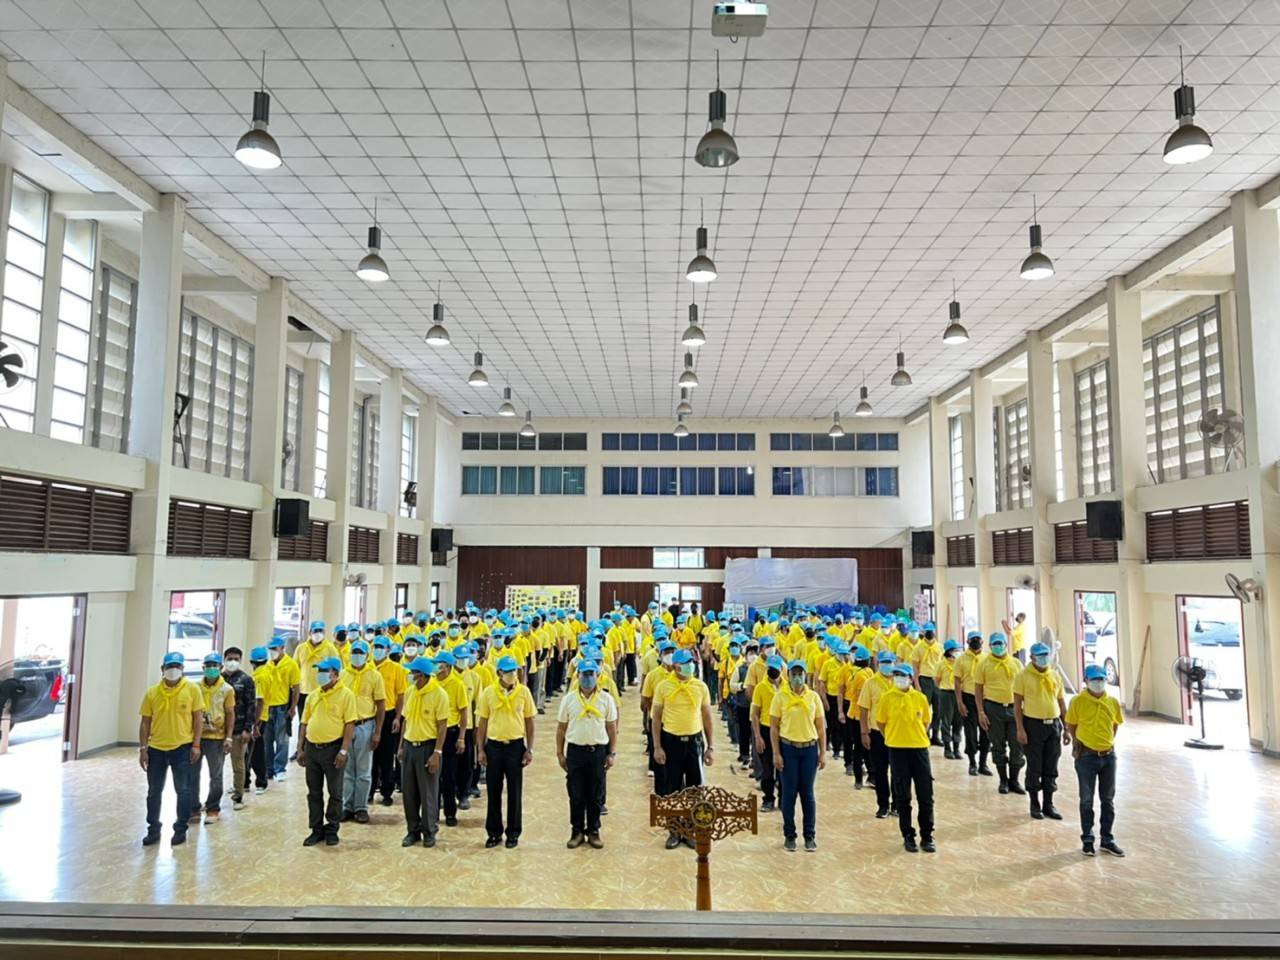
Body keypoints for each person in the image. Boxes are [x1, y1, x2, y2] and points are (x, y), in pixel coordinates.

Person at [650, 648, 715, 850]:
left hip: (694, 742)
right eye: (686, 663)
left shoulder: (700, 687)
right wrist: (657, 746)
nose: (690, 665)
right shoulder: (663, 687)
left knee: (695, 791)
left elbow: (707, 717)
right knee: (672, 790)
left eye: (691, 662)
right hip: (671, 742)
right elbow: (656, 718)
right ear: (676, 666)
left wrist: (711, 746)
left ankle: (689, 830)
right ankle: (674, 830)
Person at [138, 651, 204, 847]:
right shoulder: (152, 693)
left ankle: (180, 829)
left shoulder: (192, 690)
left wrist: (196, 745)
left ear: (182, 668)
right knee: (154, 791)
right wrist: (143, 748)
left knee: (183, 791)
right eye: (169, 666)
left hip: (182, 748)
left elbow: (198, 719)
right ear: (162, 669)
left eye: (177, 666)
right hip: (156, 749)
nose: (173, 670)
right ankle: (153, 829)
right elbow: (145, 722)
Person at [556, 658, 618, 849]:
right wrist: (560, 753)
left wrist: (612, 753)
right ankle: (576, 831)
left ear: (598, 676)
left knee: (595, 794)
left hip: (597, 752)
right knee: (576, 794)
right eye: (585, 674)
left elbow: (611, 728)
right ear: (578, 676)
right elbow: (561, 728)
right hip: (575, 752)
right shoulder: (569, 700)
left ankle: (594, 831)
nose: (588, 678)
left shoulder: (606, 699)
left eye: (591, 674)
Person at [476, 654, 536, 848]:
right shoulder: (488, 693)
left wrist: (530, 749)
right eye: (507, 671)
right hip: (494, 746)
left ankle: (513, 832)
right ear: (499, 673)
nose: (512, 674)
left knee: (514, 791)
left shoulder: (524, 692)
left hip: (515, 747)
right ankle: (494, 832)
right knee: (493, 790)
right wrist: (480, 749)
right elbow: (482, 722)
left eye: (514, 671)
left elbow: (529, 722)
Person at [1065, 663, 1125, 858]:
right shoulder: (1078, 701)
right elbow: (1071, 724)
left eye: (1101, 679)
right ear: (1086, 681)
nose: (1098, 683)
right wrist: (1078, 742)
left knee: (1108, 799)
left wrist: (1107, 743)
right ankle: (1088, 839)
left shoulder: (1112, 702)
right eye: (1094, 679)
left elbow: (1115, 724)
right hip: (1086, 757)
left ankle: (1107, 839)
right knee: (1087, 799)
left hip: (1108, 756)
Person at [297, 657, 356, 846]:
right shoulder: (313, 695)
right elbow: (304, 723)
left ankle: (332, 828)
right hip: (312, 749)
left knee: (335, 792)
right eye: (319, 671)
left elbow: (350, 724)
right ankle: (316, 829)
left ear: (336, 674)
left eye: (324, 671)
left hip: (333, 749)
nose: (320, 674)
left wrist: (344, 751)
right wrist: (300, 748)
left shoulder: (346, 695)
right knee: (313, 792)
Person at [877, 663, 934, 853]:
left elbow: (926, 722)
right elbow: (881, 723)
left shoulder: (920, 698)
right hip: (897, 750)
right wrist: (894, 736)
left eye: (902, 675)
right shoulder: (887, 698)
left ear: (910, 679)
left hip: (919, 749)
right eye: (896, 675)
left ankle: (927, 835)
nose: (899, 679)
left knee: (925, 795)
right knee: (903, 795)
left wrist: (915, 736)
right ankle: (908, 835)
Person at [769, 659, 825, 852]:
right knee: (789, 793)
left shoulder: (813, 697)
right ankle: (789, 835)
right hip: (788, 749)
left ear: (805, 675)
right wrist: (776, 753)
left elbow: (820, 727)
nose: (797, 678)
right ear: (788, 676)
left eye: (800, 674)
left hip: (809, 749)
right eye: (794, 674)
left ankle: (809, 836)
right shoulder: (780, 697)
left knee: (807, 794)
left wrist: (822, 753)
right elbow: (774, 727)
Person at [1014, 641, 1070, 820]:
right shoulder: (1023, 676)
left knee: (1051, 766)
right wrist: (1020, 729)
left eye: (1046, 655)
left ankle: (1048, 803)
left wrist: (1066, 728)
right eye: (1040, 656)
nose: (1044, 659)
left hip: (1053, 725)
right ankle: (1034, 803)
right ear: (1032, 657)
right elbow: (1017, 705)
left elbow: (1061, 703)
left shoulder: (1055, 675)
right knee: (1034, 766)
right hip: (1033, 725)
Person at [399, 656, 448, 848]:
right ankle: (413, 830)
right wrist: (401, 746)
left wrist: (437, 753)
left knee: (428, 793)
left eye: (414, 673)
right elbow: (406, 720)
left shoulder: (439, 694)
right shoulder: (410, 692)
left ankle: (429, 831)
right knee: (409, 793)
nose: (411, 676)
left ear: (424, 675)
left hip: (428, 747)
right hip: (410, 746)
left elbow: (442, 726)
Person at [339, 639, 387, 824]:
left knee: (364, 771)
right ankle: (347, 806)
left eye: (360, 653)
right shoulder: (343, 674)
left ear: (367, 656)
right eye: (354, 652)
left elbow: (381, 705)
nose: (356, 656)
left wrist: (377, 732)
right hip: (346, 726)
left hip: (365, 725)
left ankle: (360, 807)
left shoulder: (374, 676)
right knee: (347, 769)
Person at [975, 632, 1025, 796]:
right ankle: (1003, 780)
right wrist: (981, 711)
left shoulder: (1016, 663)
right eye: (995, 644)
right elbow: (978, 689)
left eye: (1000, 643)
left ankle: (1014, 780)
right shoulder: (983, 664)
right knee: (998, 745)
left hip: (1014, 708)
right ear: (990, 646)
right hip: (993, 708)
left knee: (1017, 745)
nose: (998, 646)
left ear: (1006, 644)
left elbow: (1024, 688)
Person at [189, 651, 235, 825]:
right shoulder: (195, 687)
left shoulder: (227, 689)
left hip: (217, 738)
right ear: (203, 668)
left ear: (220, 667)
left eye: (214, 666)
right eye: (208, 666)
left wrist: (228, 738)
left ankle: (213, 808)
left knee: (216, 775)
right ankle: (193, 808)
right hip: (196, 738)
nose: (211, 669)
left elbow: (230, 714)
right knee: (192, 774)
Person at [433, 650, 471, 828]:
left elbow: (463, 712)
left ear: (447, 666)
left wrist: (462, 737)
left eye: (439, 664)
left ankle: (450, 813)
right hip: (433, 733)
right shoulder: (432, 683)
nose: (436, 667)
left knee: (448, 776)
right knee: (433, 776)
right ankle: (432, 812)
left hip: (451, 733)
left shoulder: (457, 684)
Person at [858, 651, 896, 819]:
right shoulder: (870, 683)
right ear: (878, 663)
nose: (887, 665)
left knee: (898, 771)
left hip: (897, 734)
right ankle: (883, 805)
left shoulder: (900, 681)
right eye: (884, 662)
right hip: (876, 733)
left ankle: (897, 804)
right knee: (880, 771)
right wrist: (864, 732)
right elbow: (864, 709)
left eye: (890, 662)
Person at [220, 646, 258, 811]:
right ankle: (213, 799)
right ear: (224, 660)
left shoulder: (246, 680)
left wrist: (248, 729)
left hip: (239, 728)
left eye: (236, 659)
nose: (232, 662)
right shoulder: (218, 679)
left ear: (241, 660)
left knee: (238, 764)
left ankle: (238, 795)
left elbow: (251, 706)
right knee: (217, 767)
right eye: (230, 659)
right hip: (218, 730)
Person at [371, 635, 407, 807]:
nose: (378, 650)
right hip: (369, 714)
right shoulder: (367, 667)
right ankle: (369, 790)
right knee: (370, 756)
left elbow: (400, 695)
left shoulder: (396, 668)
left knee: (386, 756)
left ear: (387, 650)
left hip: (389, 714)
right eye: (376, 647)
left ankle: (387, 791)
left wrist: (398, 718)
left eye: (381, 647)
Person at [953, 632, 992, 777]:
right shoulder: (961, 659)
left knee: (986, 731)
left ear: (982, 642)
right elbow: (957, 682)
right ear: (968, 642)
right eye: (973, 640)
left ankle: (983, 763)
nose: (976, 642)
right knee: (970, 733)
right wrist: (959, 702)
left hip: (985, 698)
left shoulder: (988, 658)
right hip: (968, 698)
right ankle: (972, 763)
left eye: (978, 639)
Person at [750, 653, 784, 812]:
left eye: (775, 669)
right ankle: (768, 798)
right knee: (767, 768)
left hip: (783, 731)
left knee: (783, 767)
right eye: (770, 668)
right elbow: (755, 714)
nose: (773, 672)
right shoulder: (760, 688)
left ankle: (783, 799)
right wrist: (757, 736)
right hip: (766, 729)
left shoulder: (787, 687)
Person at [837, 645, 873, 787]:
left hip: (856, 712)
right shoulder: (861, 675)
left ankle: (866, 776)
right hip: (858, 714)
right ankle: (860, 777)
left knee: (862, 746)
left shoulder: (863, 672)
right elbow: (862, 698)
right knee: (860, 746)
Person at [266, 636, 300, 779]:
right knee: (267, 740)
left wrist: (293, 707)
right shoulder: (267, 664)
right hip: (267, 707)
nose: (272, 651)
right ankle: (268, 769)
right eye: (270, 649)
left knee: (282, 740)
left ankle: (279, 768)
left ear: (282, 649)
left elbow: (296, 687)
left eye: (275, 649)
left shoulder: (291, 664)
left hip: (282, 707)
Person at [911, 625, 943, 746]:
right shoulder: (918, 647)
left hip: (937, 680)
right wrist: (916, 683)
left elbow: (943, 665)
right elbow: (915, 667)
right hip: (924, 680)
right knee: (924, 709)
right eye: (927, 631)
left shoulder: (940, 647)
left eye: (931, 631)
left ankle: (935, 735)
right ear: (924, 632)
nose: (930, 633)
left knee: (938, 710)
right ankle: (925, 733)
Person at [248, 647, 274, 794]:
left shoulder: (259, 677)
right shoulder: (266, 673)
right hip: (261, 716)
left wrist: (255, 723)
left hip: (259, 718)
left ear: (251, 662)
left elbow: (259, 701)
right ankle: (247, 782)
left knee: (256, 752)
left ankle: (261, 782)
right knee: (252, 751)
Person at [935, 640, 962, 760]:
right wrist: (944, 689)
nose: (958, 652)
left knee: (958, 721)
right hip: (946, 694)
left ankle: (956, 748)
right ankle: (947, 748)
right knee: (946, 721)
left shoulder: (960, 663)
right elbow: (937, 680)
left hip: (959, 694)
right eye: (956, 650)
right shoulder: (941, 664)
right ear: (949, 651)